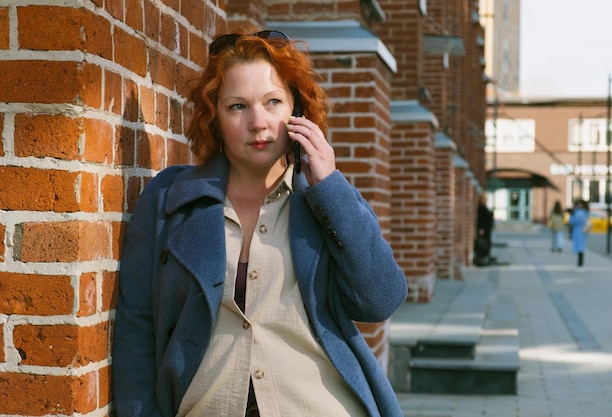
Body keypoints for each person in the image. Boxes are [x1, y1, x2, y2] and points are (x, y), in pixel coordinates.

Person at [112, 29, 408, 417]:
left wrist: (330, 187)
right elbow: (137, 325)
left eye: (273, 102)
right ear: (214, 116)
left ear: (296, 110)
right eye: (237, 106)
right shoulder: (170, 199)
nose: (258, 122)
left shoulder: (325, 199)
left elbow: (379, 300)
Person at [568, 199, 590, 271]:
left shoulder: (584, 212)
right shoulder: (576, 211)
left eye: (581, 204)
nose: (579, 205)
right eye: (578, 204)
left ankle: (581, 265)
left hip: (582, 231)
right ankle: (579, 264)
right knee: (578, 248)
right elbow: (571, 221)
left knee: (581, 248)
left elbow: (580, 220)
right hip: (576, 231)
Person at [474, 194, 494, 266]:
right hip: (484, 230)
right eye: (485, 199)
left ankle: (485, 260)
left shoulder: (484, 207)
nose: (486, 200)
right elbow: (481, 219)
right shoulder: (481, 208)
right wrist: (481, 228)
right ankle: (482, 260)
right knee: (483, 245)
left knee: (486, 244)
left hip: (487, 229)